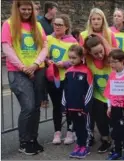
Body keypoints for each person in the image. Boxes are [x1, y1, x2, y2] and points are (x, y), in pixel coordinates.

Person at [1, 1, 48, 155]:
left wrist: (35, 64)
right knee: (28, 106)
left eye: (29, 9)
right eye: (24, 9)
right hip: (18, 72)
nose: (27, 12)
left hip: (37, 70)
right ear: (17, 8)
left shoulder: (37, 25)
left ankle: (33, 139)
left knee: (35, 107)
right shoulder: (9, 24)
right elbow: (7, 48)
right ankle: (24, 142)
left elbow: (44, 46)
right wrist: (23, 67)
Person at [46, 14, 77, 145]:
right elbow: (43, 55)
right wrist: (48, 61)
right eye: (55, 24)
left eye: (60, 25)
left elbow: (76, 59)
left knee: (69, 106)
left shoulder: (73, 41)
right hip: (53, 78)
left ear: (66, 27)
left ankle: (70, 131)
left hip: (68, 78)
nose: (57, 26)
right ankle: (57, 132)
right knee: (57, 106)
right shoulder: (47, 39)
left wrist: (65, 64)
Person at [62, 45, 93, 159]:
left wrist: (86, 107)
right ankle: (79, 145)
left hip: (83, 108)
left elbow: (90, 90)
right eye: (70, 57)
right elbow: (65, 90)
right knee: (77, 127)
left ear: (81, 57)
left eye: (74, 57)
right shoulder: (68, 72)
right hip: (71, 107)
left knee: (85, 127)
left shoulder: (86, 71)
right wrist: (64, 105)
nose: (71, 60)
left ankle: (86, 146)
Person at [83, 34, 112, 152]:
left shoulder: (111, 58)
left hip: (113, 97)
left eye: (101, 51)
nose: (100, 55)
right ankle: (105, 140)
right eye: (96, 53)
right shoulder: (88, 61)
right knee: (100, 120)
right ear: (89, 53)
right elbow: (81, 52)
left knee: (114, 121)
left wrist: (103, 42)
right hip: (98, 96)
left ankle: (118, 140)